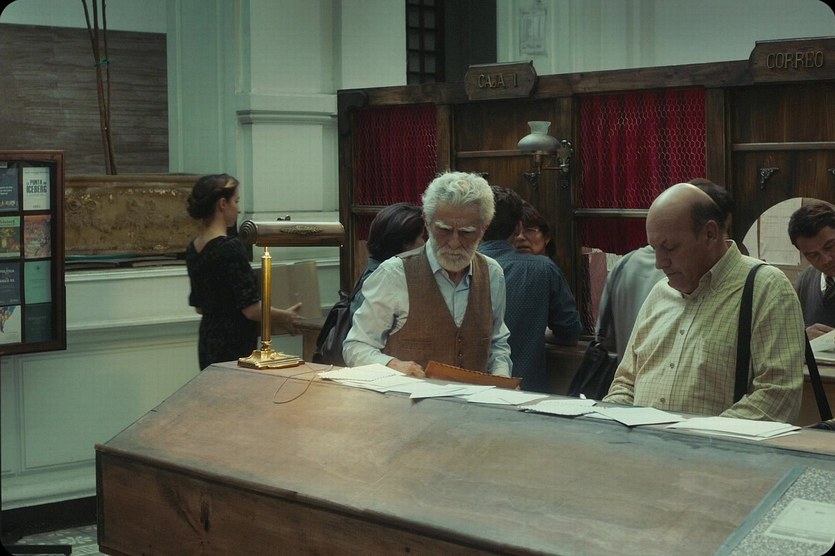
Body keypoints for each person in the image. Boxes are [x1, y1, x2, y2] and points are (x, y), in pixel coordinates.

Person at [603, 182, 805, 423]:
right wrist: (612, 422)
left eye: (669, 247)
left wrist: (696, 436)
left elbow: (778, 395)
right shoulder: (659, 292)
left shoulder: (766, 288)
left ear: (710, 234)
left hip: (716, 446)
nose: (659, 263)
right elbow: (626, 382)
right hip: (641, 443)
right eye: (654, 248)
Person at [342, 171, 513, 377]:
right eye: (444, 230)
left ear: (484, 228)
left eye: (466, 232)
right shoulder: (394, 274)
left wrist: (502, 378)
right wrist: (391, 365)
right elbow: (356, 346)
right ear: (427, 221)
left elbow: (497, 344)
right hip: (407, 397)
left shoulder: (492, 274)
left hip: (475, 398)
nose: (454, 243)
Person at [596, 178, 737, 363]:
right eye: (658, 247)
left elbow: (606, 338)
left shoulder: (625, 264)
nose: (660, 263)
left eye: (670, 247)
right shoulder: (665, 285)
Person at [185, 173, 302, 370]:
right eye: (236, 201)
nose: (238, 209)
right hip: (233, 345)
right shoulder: (230, 247)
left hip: (207, 341)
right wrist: (285, 316)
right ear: (223, 204)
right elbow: (251, 309)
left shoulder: (193, 249)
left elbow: (200, 307)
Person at [478, 187, 582, 392]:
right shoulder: (543, 269)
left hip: (460, 390)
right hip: (525, 392)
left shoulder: (456, 267)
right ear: (518, 227)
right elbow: (569, 332)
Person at [350, 203, 426, 315]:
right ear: (405, 243)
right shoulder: (382, 282)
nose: (425, 243)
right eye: (422, 237)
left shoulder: (377, 273)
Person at [787, 200, 835, 340]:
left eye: (830, 246)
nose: (826, 260)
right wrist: (802, 337)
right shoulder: (805, 281)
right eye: (813, 255)